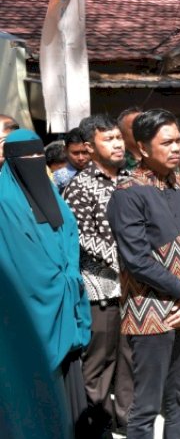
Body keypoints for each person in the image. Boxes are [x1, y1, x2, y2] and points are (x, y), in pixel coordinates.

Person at [106, 109, 180, 439]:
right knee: (146, 404)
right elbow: (137, 260)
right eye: (166, 142)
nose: (176, 148)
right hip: (150, 312)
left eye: (179, 141)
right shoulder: (127, 192)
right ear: (141, 147)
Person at [0, 129, 92, 436]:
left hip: (64, 311)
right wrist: (56, 284)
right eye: (26, 158)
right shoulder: (3, 202)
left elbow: (69, 241)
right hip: (31, 318)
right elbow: (16, 263)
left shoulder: (55, 198)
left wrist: (68, 281)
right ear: (10, 162)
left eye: (38, 156)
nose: (34, 163)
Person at [62, 115, 133, 437]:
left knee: (129, 361)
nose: (118, 144)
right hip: (100, 287)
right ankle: (96, 426)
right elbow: (77, 236)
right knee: (99, 363)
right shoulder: (80, 185)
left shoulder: (128, 179)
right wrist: (120, 259)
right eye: (109, 139)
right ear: (90, 147)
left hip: (132, 287)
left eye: (119, 138)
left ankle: (127, 420)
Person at [54, 127, 91, 192]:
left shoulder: (103, 172)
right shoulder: (58, 178)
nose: (81, 158)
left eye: (85, 152)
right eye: (75, 153)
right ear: (65, 150)